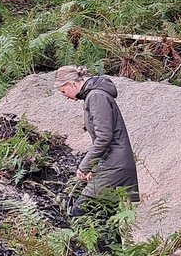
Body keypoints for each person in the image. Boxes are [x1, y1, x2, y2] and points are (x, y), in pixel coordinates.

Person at [54, 65, 138, 244]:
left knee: (81, 211)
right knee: (106, 216)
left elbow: (104, 138)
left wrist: (84, 166)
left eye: (63, 92)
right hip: (115, 163)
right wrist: (97, 167)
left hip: (116, 166)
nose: (65, 97)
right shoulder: (94, 95)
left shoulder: (96, 96)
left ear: (70, 83)